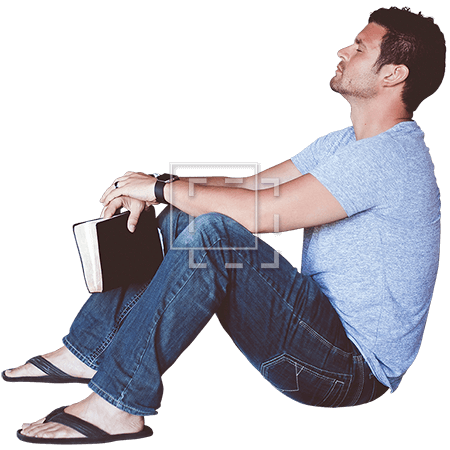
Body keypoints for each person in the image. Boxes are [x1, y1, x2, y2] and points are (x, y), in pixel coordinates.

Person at [4, 6, 444, 444]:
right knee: (188, 213)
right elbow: (251, 187)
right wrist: (155, 186)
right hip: (318, 337)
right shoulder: (345, 143)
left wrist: (157, 188)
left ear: (393, 74)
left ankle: (118, 403)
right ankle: (89, 351)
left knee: (214, 233)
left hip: (347, 370)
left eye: (359, 47)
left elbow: (258, 213)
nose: (343, 50)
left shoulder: (389, 158)